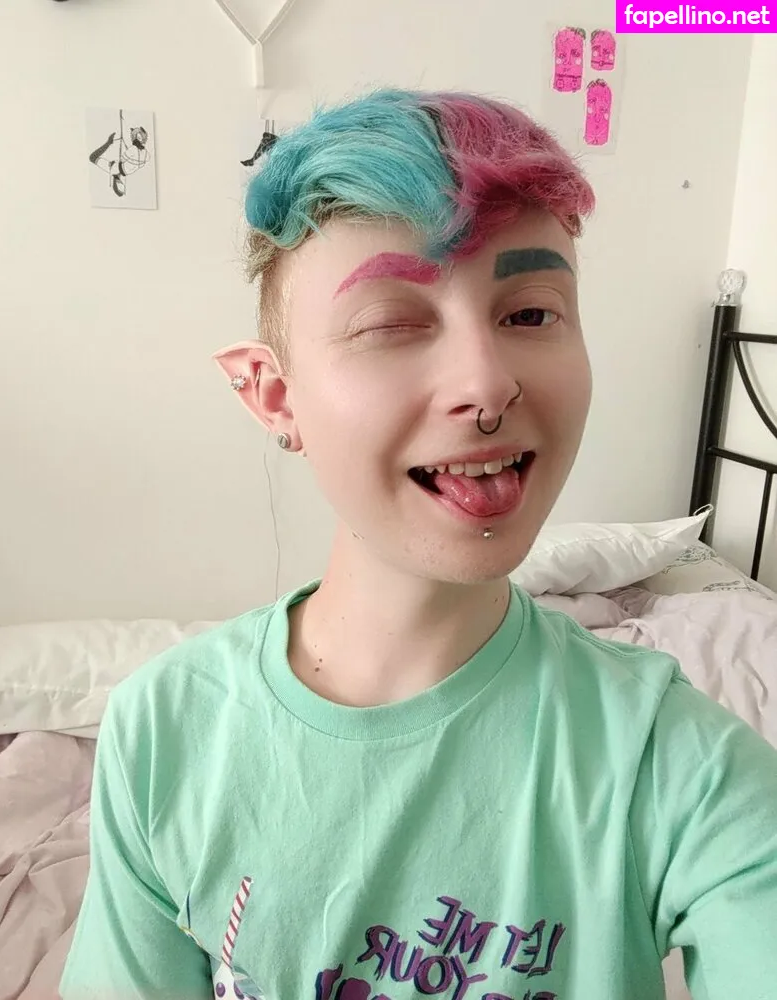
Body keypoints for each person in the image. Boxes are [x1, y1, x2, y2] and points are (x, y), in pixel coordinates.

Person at [60, 89, 777, 1000]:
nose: (488, 384)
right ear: (274, 397)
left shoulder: (674, 764)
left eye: (530, 314)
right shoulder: (163, 732)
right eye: (392, 324)